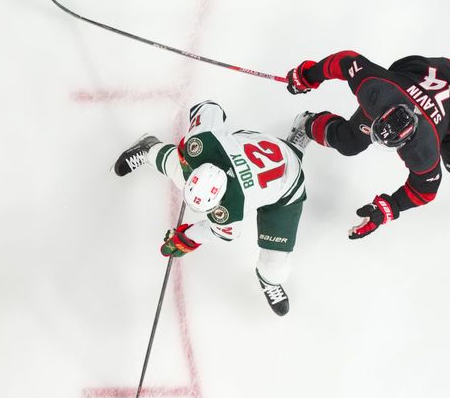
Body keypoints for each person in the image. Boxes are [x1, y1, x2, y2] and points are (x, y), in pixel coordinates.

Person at [283, 51, 450, 238]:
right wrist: (308, 75)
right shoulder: (376, 92)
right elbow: (346, 61)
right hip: (415, 73)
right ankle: (308, 123)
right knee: (351, 142)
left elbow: (425, 191)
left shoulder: (422, 149)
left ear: (406, 142)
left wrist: (389, 207)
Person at [114, 100, 307, 316]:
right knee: (181, 171)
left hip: (286, 189)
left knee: (274, 266)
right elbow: (209, 106)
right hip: (263, 148)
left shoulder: (231, 212)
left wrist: (186, 237)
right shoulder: (203, 143)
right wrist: (191, 142)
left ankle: (269, 281)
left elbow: (215, 232)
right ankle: (149, 148)